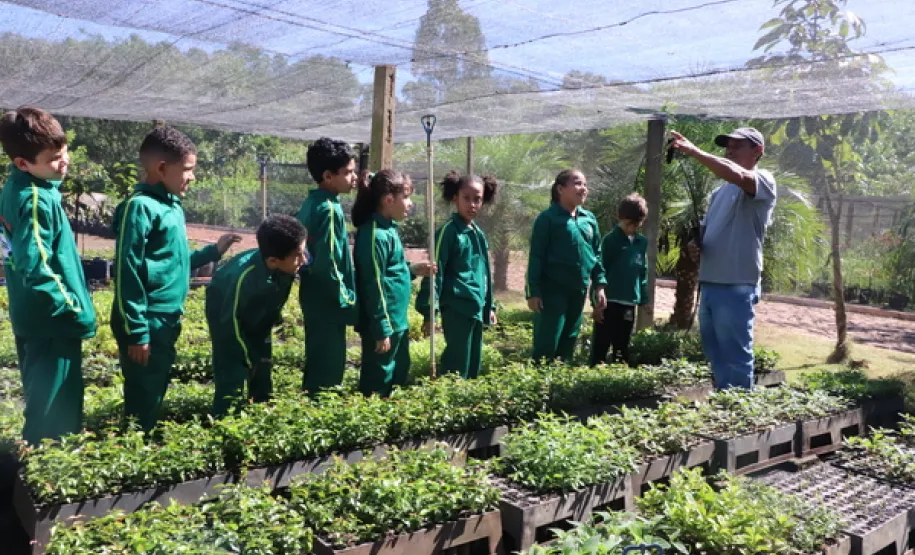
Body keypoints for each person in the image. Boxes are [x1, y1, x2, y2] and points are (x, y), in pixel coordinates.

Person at [111, 125, 240, 430]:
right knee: (144, 393)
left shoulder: (172, 206)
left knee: (154, 388)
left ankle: (142, 440)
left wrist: (213, 251)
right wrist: (137, 331)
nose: (192, 177)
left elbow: (174, 263)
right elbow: (126, 271)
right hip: (148, 319)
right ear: (161, 167)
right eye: (187, 169)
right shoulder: (139, 207)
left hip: (167, 319)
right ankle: (135, 450)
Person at [0, 106, 96, 445]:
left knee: (43, 398)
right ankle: (40, 479)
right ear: (22, 163)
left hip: (33, 317)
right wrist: (70, 304)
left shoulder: (17, 189)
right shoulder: (36, 199)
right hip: (52, 321)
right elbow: (35, 264)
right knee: (57, 411)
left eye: (64, 150)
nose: (64, 161)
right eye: (54, 157)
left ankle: (34, 473)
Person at [669, 127, 777, 389]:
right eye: (728, 146)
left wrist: (694, 151)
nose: (730, 150)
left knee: (736, 353)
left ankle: (739, 410)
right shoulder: (718, 194)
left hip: (737, 282)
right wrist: (696, 244)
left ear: (757, 150)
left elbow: (739, 174)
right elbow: (706, 231)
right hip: (709, 282)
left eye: (738, 145)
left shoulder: (762, 180)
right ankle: (724, 403)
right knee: (715, 352)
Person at [207, 215, 307, 416]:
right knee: (233, 371)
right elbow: (229, 324)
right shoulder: (243, 278)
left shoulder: (284, 262)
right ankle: (224, 421)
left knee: (262, 363)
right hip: (225, 319)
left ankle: (260, 409)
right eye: (298, 255)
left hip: (259, 319)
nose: (303, 260)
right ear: (273, 260)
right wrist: (245, 357)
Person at [352, 170, 434, 397]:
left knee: (398, 373)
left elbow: (392, 272)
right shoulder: (374, 235)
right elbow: (372, 284)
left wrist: (414, 270)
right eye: (406, 197)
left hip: (398, 321)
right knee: (379, 379)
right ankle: (372, 426)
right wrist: (381, 329)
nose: (410, 204)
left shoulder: (389, 230)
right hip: (384, 324)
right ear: (389, 199)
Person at [415, 171, 497, 379]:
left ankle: (467, 403)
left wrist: (490, 306)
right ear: (455, 198)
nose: (472, 205)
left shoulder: (478, 234)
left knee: (473, 360)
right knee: (456, 360)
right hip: (456, 306)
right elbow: (435, 273)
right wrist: (430, 311)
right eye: (466, 198)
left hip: (476, 307)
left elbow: (485, 273)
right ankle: (448, 400)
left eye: (477, 199)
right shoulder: (448, 232)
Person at [296, 137, 358, 393]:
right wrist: (347, 300)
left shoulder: (312, 203)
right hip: (328, 300)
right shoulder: (330, 210)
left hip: (313, 296)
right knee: (329, 369)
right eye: (348, 172)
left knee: (317, 360)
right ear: (328, 176)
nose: (354, 177)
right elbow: (329, 263)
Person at [525, 169, 607, 362]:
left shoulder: (589, 220)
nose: (583, 189)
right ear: (561, 189)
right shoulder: (547, 219)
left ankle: (560, 388)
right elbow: (536, 256)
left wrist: (600, 285)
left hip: (578, 291)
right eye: (578, 183)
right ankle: (540, 387)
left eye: (585, 185)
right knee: (547, 342)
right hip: (552, 291)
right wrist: (533, 291)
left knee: (569, 340)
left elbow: (596, 255)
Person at [590, 194, 649, 366]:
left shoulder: (641, 242)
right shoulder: (610, 241)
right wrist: (596, 304)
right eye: (628, 224)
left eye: (636, 225)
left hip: (629, 301)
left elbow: (642, 272)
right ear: (619, 218)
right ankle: (593, 374)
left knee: (622, 344)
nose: (631, 228)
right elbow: (599, 271)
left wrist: (644, 299)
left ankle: (619, 376)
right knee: (601, 342)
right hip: (609, 301)